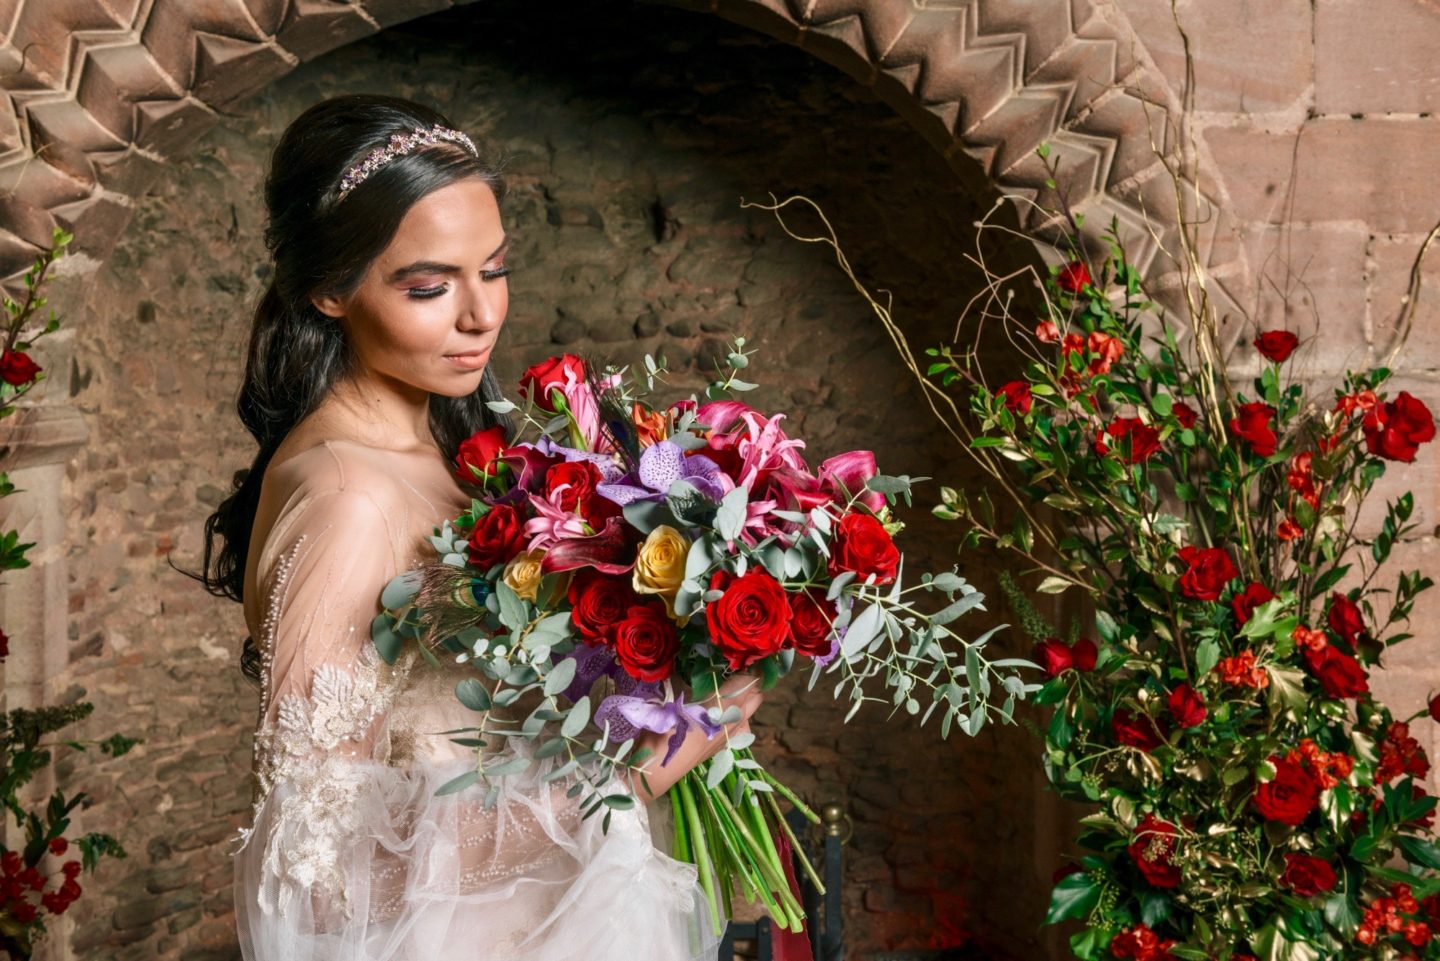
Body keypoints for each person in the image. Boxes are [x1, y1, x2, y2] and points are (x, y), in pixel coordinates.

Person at [196, 94, 761, 960]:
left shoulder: (440, 448)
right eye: (428, 286)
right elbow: (316, 869)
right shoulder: (348, 495)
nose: (480, 315)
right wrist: (622, 773)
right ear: (328, 290)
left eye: (493, 268)